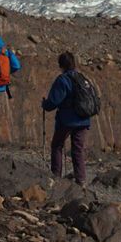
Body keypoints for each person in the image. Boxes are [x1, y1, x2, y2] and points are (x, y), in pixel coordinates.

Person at [41, 52, 90, 186]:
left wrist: (45, 104)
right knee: (78, 149)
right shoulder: (82, 78)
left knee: (57, 145)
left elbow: (53, 102)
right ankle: (81, 180)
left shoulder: (63, 80)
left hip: (67, 120)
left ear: (61, 65)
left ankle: (56, 176)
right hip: (84, 119)